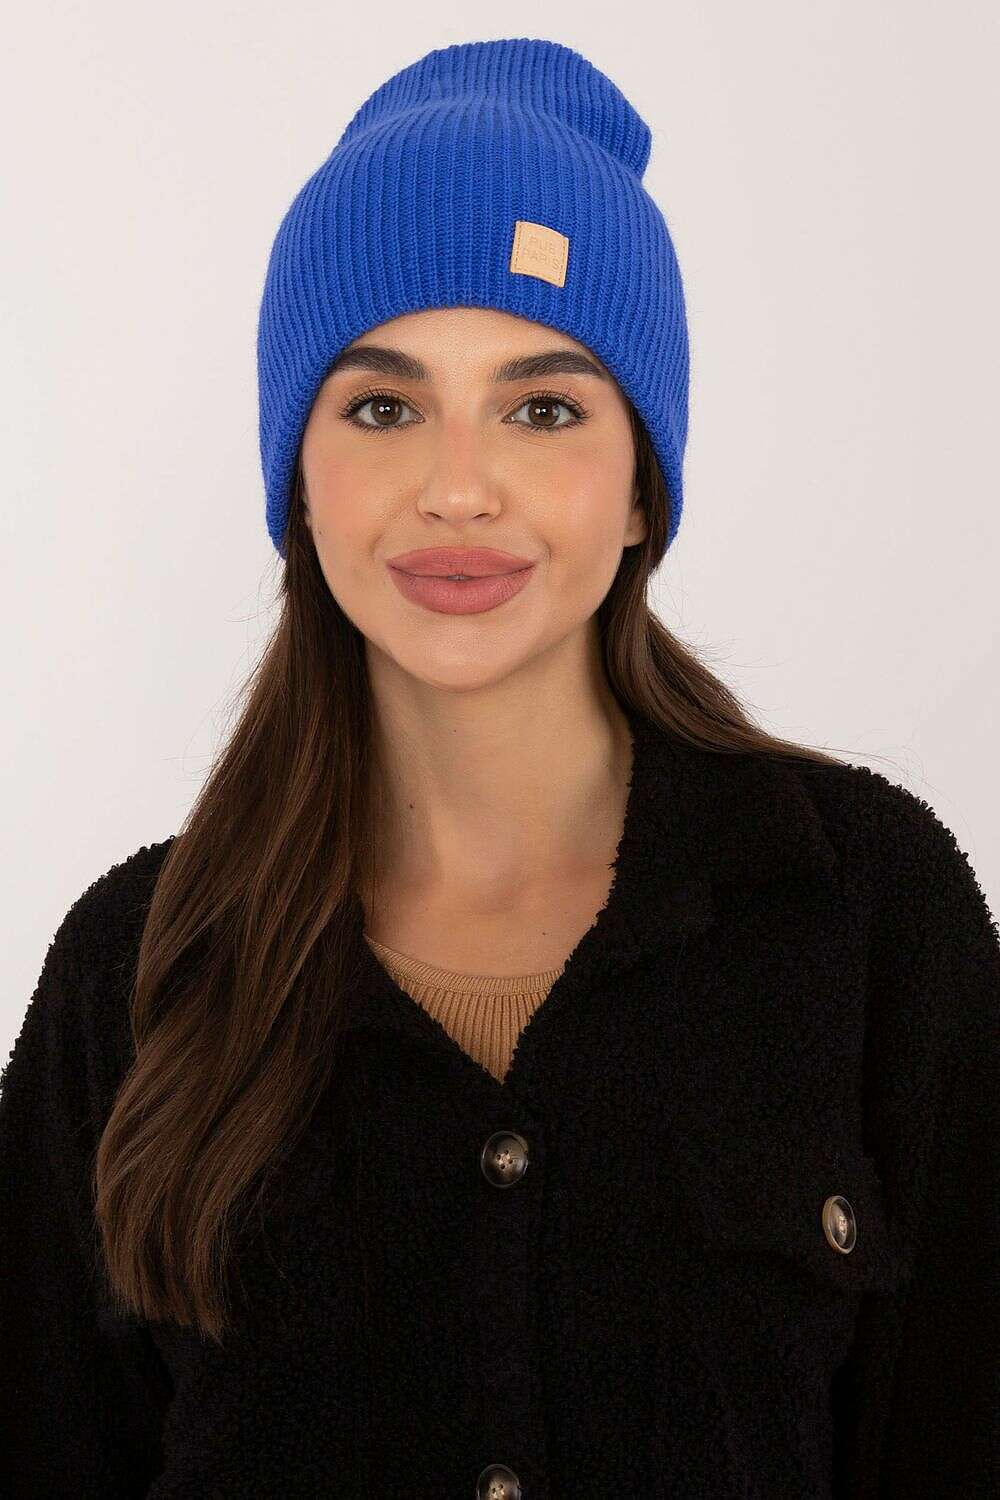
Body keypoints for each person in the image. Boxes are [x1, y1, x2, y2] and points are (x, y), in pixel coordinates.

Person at [2, 36, 997, 1500]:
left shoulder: (872, 917)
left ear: (643, 482)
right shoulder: (134, 978)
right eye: (383, 406)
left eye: (543, 408)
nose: (458, 487)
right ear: (298, 476)